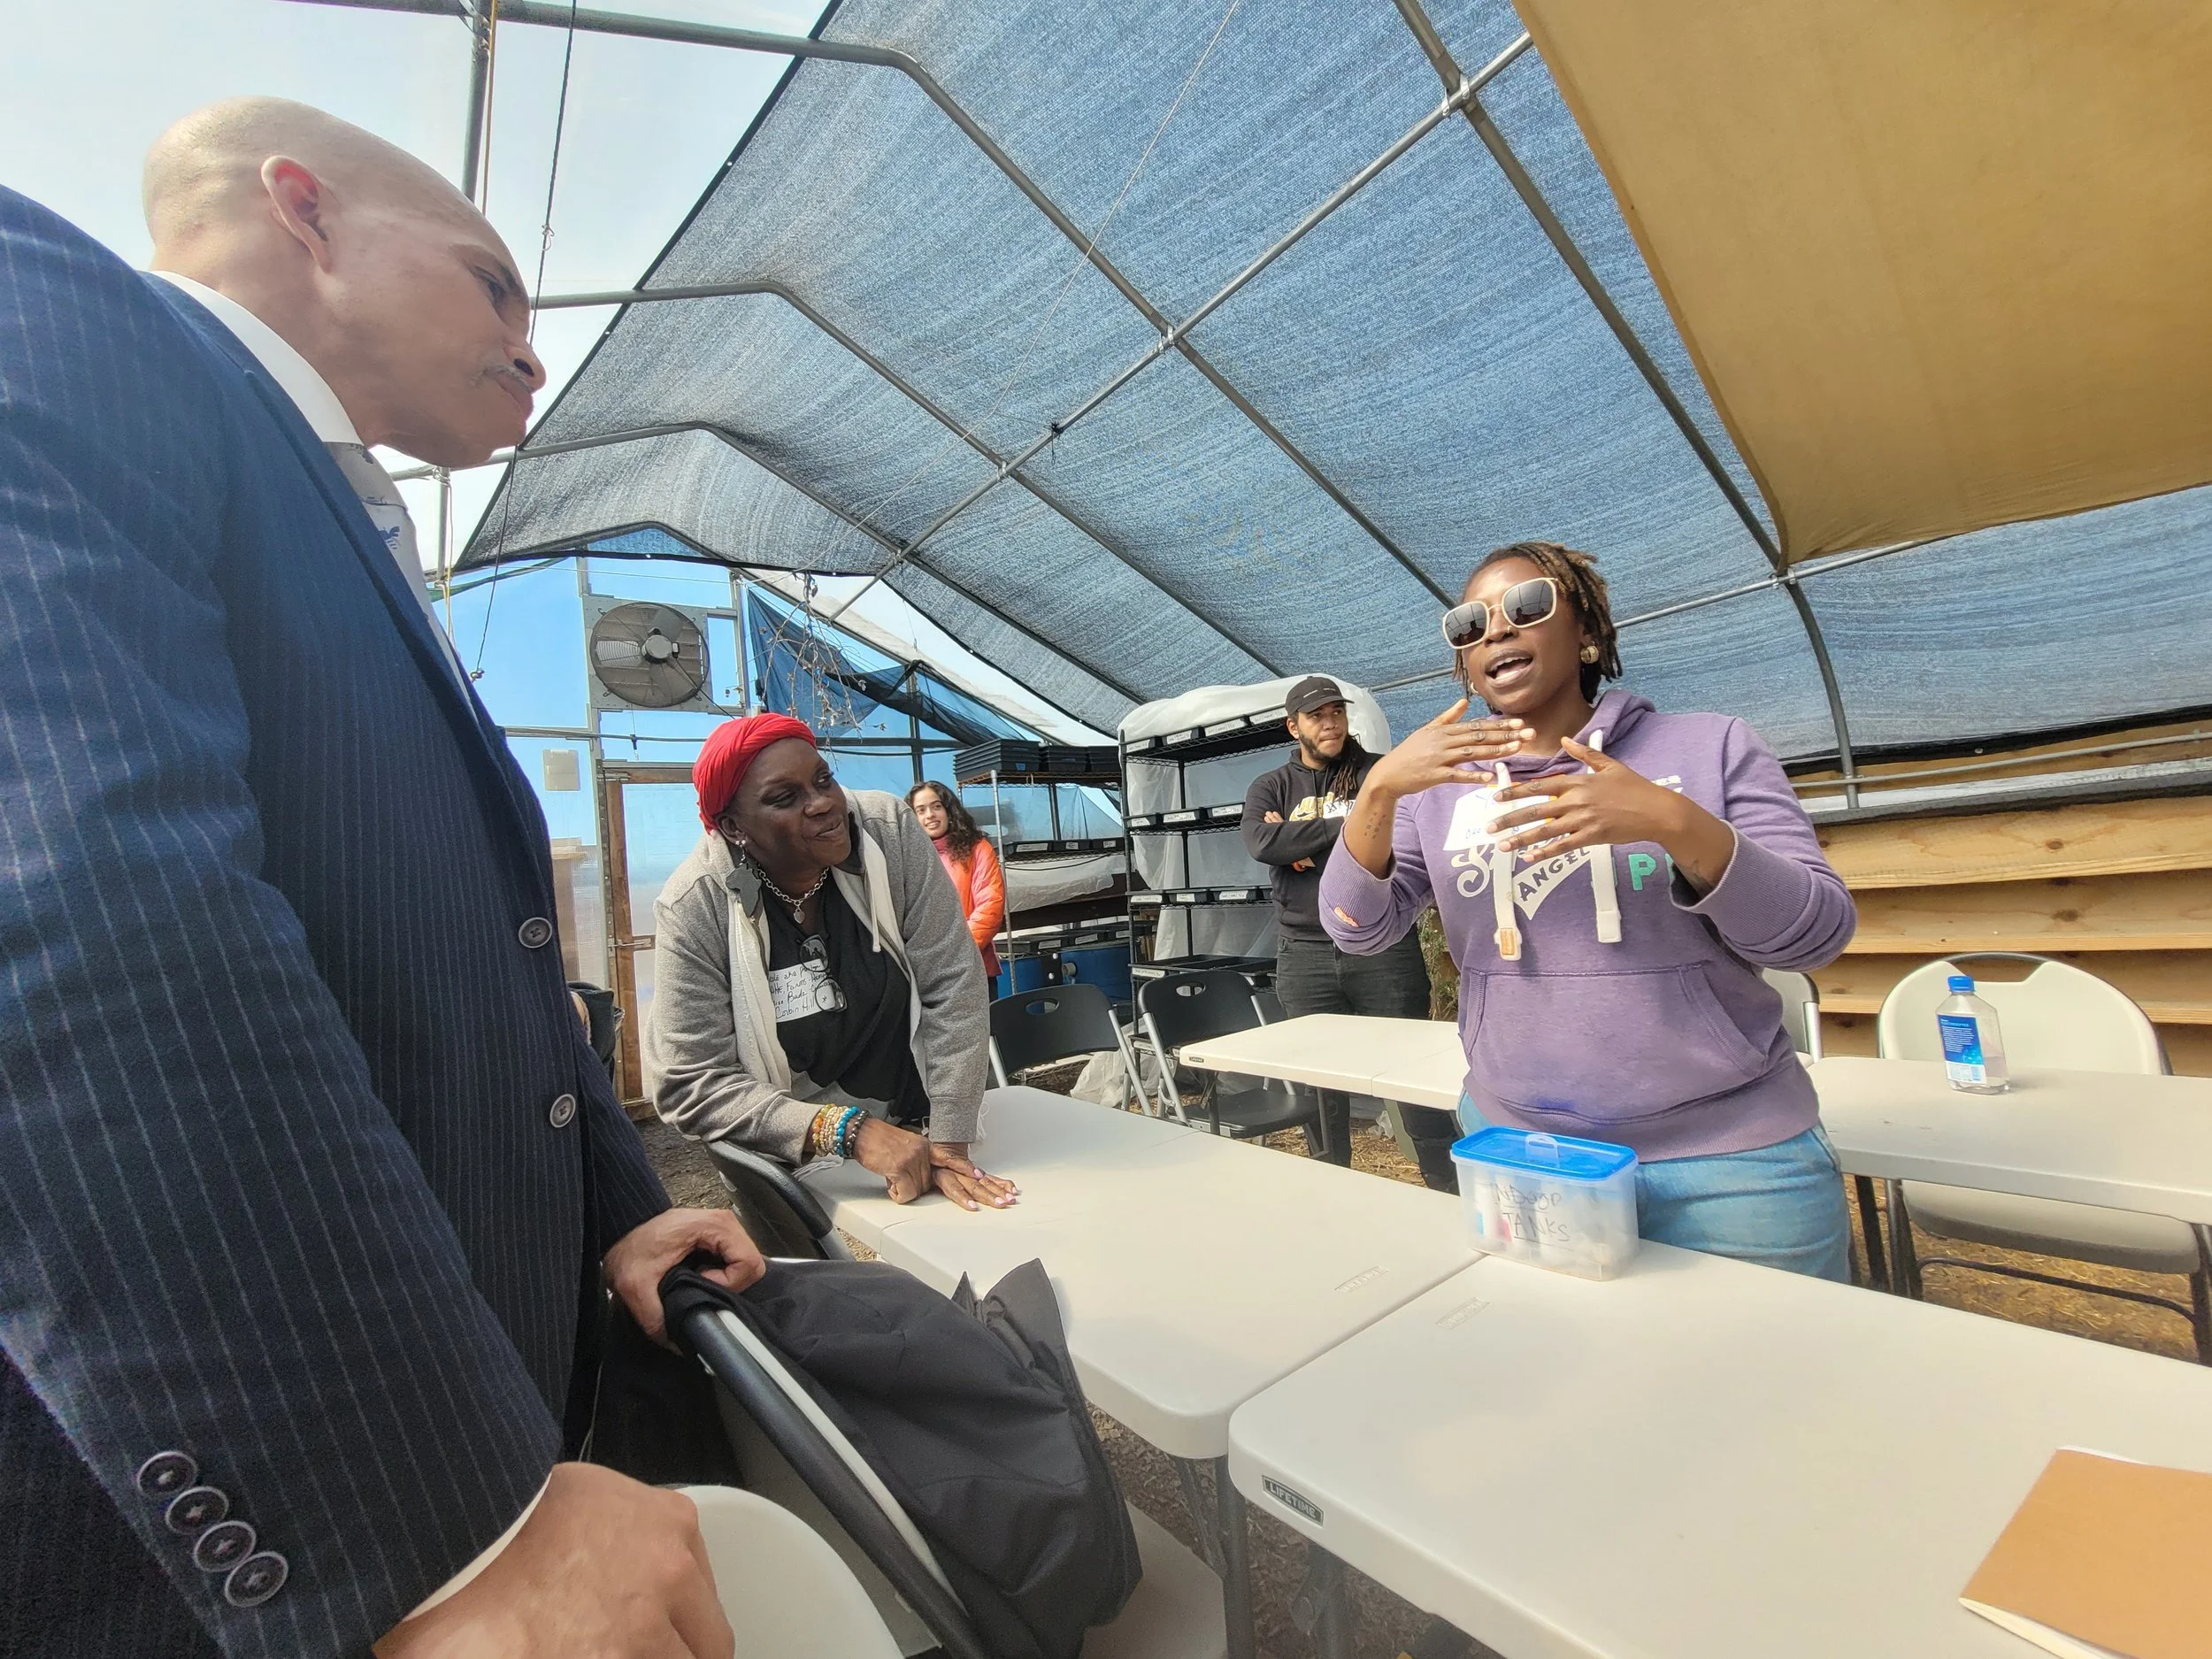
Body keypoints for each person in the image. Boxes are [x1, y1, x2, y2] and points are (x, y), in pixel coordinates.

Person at [0, 99, 766, 1659]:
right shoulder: (61, 316)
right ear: (305, 210)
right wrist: (435, 1528)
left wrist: (615, 1211)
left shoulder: (337, 515)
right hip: (241, 1526)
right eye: (494, 285)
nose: (533, 354)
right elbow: (83, 902)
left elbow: (484, 953)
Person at [1321, 541, 1857, 1279]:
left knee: (1774, 1358)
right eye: (1470, 623)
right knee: (1558, 1356)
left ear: (1587, 634)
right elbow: (1354, 926)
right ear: (1465, 663)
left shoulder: (1709, 745)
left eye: (1528, 605)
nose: (1497, 629)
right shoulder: (1433, 790)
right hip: (1523, 1152)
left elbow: (1816, 935)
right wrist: (1380, 788)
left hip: (1731, 1163)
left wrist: (1671, 821)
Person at [647, 715, 1019, 1214]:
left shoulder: (886, 833)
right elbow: (689, 1080)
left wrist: (949, 1142)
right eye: (785, 798)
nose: (822, 803)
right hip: (792, 1152)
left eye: (823, 779)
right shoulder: (697, 904)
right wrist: (844, 1130)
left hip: (916, 1120)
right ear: (734, 827)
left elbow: (952, 981)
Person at [1240, 677, 1456, 1186]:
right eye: (1317, 716)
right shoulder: (1271, 786)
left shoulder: (1379, 772)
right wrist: (1358, 823)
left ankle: (1446, 1187)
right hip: (1304, 952)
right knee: (1318, 1081)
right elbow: (1262, 843)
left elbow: (1402, 837)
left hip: (1384, 947)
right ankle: (1331, 1186)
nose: (1331, 723)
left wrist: (1301, 840)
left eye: (1337, 712)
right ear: (1293, 727)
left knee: (1412, 1070)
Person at [907, 780, 1006, 983]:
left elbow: (990, 907)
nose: (930, 815)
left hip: (972, 967)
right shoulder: (908, 858)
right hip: (924, 973)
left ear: (949, 811)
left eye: (937, 806)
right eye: (921, 810)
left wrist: (954, 952)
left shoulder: (977, 848)